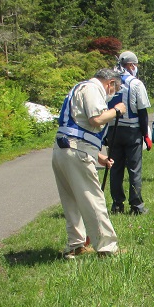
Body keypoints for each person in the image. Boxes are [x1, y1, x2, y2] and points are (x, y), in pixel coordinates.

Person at [52, 68, 127, 259]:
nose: (113, 94)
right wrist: (116, 110)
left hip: (63, 150)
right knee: (93, 198)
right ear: (110, 83)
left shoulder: (79, 88)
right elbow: (96, 120)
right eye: (115, 89)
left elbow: (78, 126)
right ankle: (106, 247)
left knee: (71, 201)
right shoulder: (93, 89)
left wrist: (99, 156)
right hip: (76, 151)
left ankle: (75, 244)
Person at [108, 51, 152, 215]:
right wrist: (145, 134)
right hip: (132, 130)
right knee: (134, 169)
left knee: (115, 168)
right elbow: (142, 111)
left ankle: (117, 204)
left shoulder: (111, 82)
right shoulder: (135, 83)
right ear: (131, 65)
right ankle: (136, 205)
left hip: (112, 129)